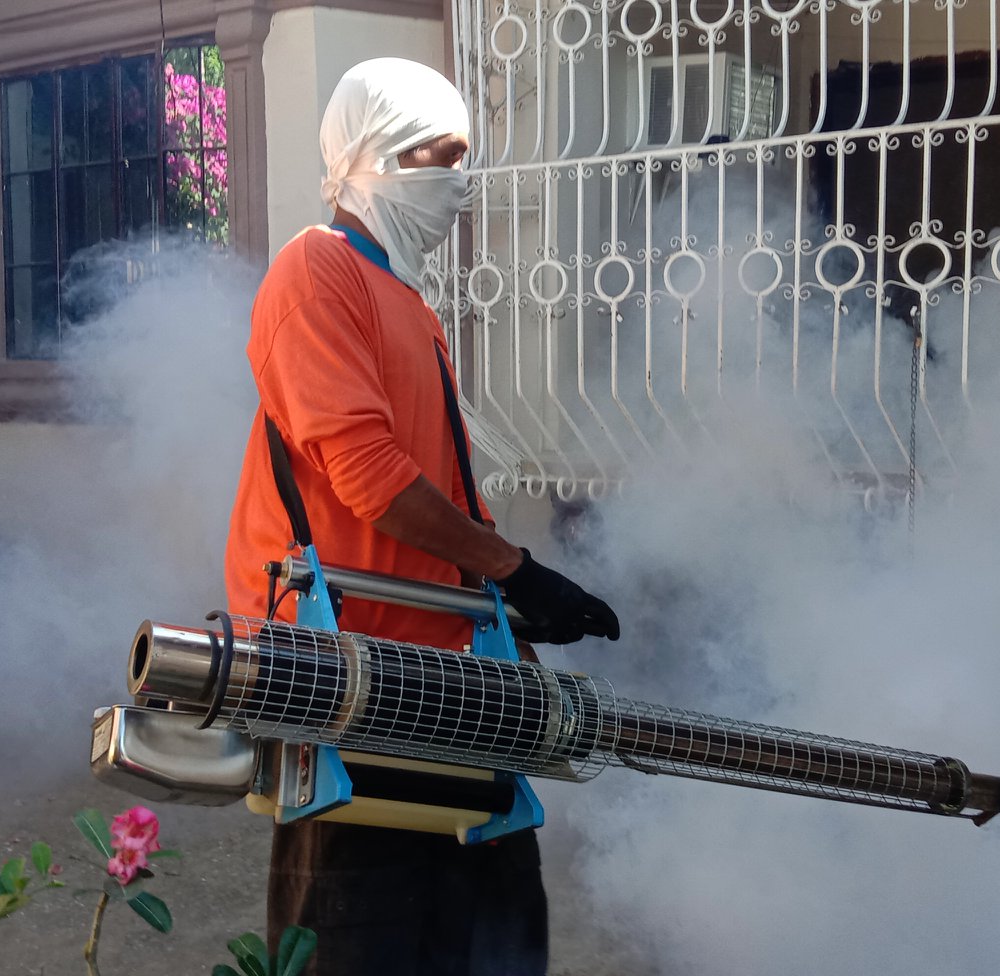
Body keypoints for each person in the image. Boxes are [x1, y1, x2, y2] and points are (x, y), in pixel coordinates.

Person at [222, 57, 621, 976]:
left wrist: (498, 607)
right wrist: (521, 571)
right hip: (350, 675)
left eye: (463, 157)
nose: (458, 180)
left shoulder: (406, 300)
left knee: (492, 932)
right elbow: (371, 477)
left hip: (446, 678)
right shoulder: (315, 273)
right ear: (369, 160)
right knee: (364, 936)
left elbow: (434, 485)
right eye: (435, 157)